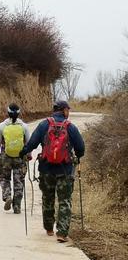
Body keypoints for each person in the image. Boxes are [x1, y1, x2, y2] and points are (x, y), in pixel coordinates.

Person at [19, 100, 85, 242]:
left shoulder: (44, 124)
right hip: (65, 169)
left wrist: (23, 152)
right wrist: (77, 156)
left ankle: (49, 228)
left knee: (47, 198)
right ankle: (61, 233)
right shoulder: (70, 127)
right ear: (63, 110)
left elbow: (32, 143)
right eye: (68, 110)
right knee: (64, 200)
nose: (69, 112)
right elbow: (81, 148)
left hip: (46, 169)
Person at [0, 103, 31, 214]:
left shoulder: (2, 126)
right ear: (19, 113)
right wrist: (29, 154)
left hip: (5, 157)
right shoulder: (24, 126)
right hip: (20, 157)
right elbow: (29, 143)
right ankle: (17, 205)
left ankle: (7, 195)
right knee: (19, 180)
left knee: (4, 178)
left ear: (7, 112)